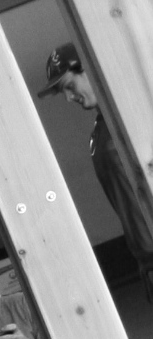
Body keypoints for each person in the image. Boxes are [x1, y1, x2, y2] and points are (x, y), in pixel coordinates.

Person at [38, 41, 153, 295]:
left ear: (88, 68)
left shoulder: (138, 113)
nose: (69, 98)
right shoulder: (102, 132)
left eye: (69, 86)